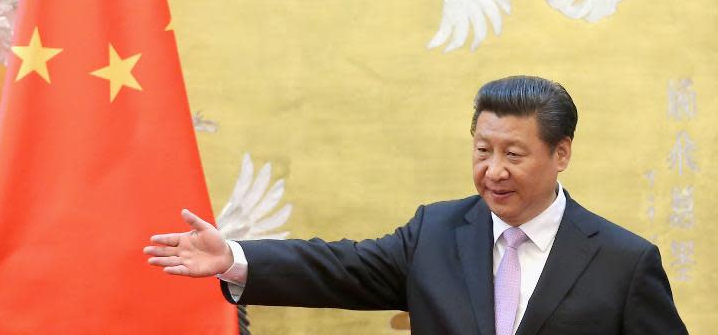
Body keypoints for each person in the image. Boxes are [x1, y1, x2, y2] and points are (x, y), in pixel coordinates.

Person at [144, 76, 688, 335]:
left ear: (560, 153)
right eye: (482, 150)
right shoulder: (437, 232)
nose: (493, 170)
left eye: (514, 154)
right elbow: (341, 268)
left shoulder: (623, 262)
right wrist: (234, 258)